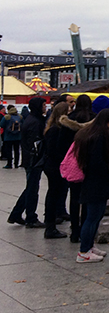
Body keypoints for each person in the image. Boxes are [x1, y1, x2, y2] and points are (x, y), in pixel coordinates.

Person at [72, 108, 109, 262]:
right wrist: (107, 175)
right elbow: (97, 161)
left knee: (97, 215)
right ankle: (84, 251)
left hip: (96, 180)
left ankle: (89, 246)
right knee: (92, 216)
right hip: (97, 181)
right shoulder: (99, 137)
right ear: (105, 122)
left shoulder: (97, 134)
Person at [6, 97, 48, 228]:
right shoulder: (35, 122)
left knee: (31, 187)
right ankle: (31, 216)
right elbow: (35, 143)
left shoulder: (31, 119)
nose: (45, 108)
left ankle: (16, 213)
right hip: (33, 160)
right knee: (32, 189)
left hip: (31, 159)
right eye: (43, 105)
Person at [41, 102, 77, 239]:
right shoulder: (57, 129)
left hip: (53, 164)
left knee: (53, 194)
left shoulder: (52, 127)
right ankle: (50, 226)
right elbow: (55, 149)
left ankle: (51, 223)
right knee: (54, 194)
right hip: (55, 166)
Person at [66, 95, 95, 244]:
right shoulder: (94, 119)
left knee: (74, 198)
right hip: (88, 163)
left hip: (73, 162)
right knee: (86, 199)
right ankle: (84, 228)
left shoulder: (69, 118)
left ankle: (74, 230)